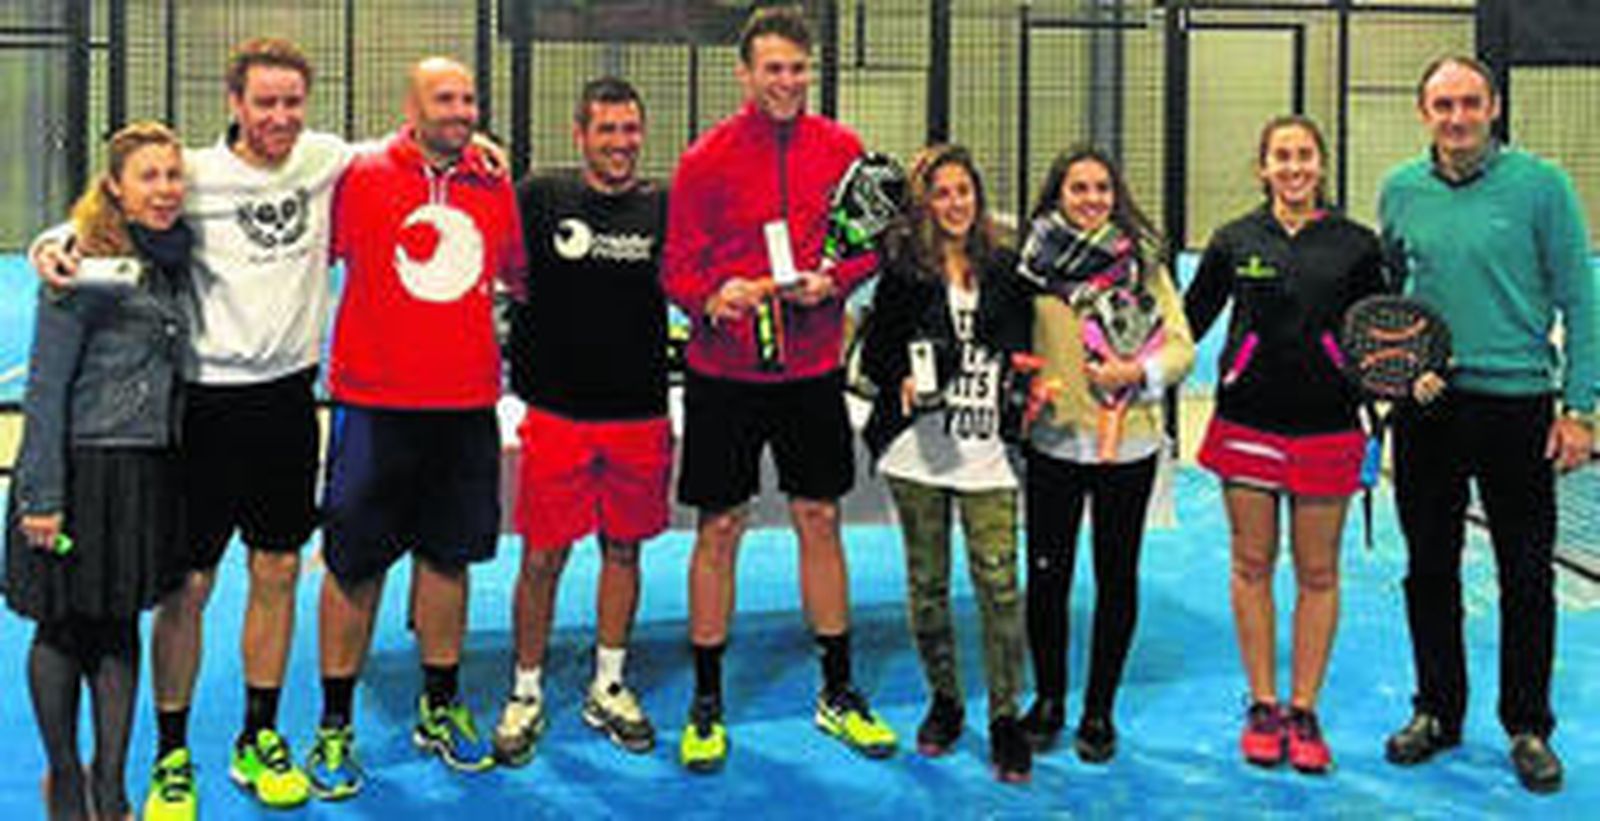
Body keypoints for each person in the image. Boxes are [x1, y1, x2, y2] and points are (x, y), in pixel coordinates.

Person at [30, 38, 346, 818]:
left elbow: (407, 144)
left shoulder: (325, 159)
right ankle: (172, 754)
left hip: (287, 403)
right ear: (234, 104)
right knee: (189, 586)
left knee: (276, 573)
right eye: (264, 101)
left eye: (291, 101)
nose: (280, 115)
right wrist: (55, 241)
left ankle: (258, 735)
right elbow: (120, 208)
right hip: (203, 407)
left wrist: (468, 138)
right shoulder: (193, 175)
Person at [662, 4, 897, 772]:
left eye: (798, 69)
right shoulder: (704, 159)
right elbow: (677, 271)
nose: (787, 82)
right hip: (724, 374)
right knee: (719, 527)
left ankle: (837, 689)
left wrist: (835, 280)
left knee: (819, 515)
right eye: (773, 69)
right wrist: (714, 297)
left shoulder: (844, 149)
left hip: (812, 371)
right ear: (746, 73)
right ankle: (705, 700)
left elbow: (869, 249)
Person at [304, 56, 525, 798]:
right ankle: (335, 723)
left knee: (448, 558)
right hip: (374, 405)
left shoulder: (494, 183)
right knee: (354, 565)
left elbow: (517, 276)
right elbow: (303, 252)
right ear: (412, 104)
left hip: (465, 406)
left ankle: (439, 702)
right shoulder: (360, 175)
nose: (461, 110)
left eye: (469, 97)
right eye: (445, 98)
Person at [1378, 55, 1595, 794]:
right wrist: (1401, 378)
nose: (1458, 117)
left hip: (1518, 407)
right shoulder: (1400, 191)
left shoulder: (1542, 187)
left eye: (1470, 103)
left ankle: (1527, 723)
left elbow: (1581, 300)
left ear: (1493, 107)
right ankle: (1437, 708)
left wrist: (1580, 408)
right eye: (1443, 105)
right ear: (1424, 113)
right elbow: (1392, 299)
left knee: (1526, 572)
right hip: (1430, 409)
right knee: (1428, 567)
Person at [1185, 115, 1385, 773]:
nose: (1294, 167)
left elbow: (1382, 333)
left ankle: (1304, 708)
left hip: (1329, 423)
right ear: (1262, 167)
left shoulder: (1358, 246)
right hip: (1247, 420)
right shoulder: (1234, 239)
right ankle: (1264, 704)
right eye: (1281, 156)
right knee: (1251, 563)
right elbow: (1187, 323)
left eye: (1305, 155)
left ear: (1321, 165)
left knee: (1319, 571)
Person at [6, 121, 190, 821]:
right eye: (149, 176)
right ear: (115, 185)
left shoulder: (173, 252)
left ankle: (110, 787)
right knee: (60, 628)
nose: (166, 189)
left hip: (140, 473)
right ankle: (65, 781)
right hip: (74, 473)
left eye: (173, 175)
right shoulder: (77, 261)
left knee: (117, 628)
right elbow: (46, 387)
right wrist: (42, 496)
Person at [493, 76, 669, 764]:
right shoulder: (541, 195)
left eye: (630, 130)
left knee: (623, 549)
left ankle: (610, 681)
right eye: (607, 130)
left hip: (638, 411)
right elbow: (494, 242)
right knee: (542, 557)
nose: (621, 143)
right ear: (580, 134)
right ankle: (527, 689)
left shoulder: (663, 204)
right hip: (557, 411)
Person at [858, 145, 1032, 782]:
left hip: (988, 454)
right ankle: (945, 702)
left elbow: (1024, 346)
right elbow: (875, 359)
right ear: (924, 204)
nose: (956, 203)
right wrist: (901, 378)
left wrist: (1030, 384)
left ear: (977, 199)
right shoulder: (903, 273)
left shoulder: (1008, 270)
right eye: (942, 193)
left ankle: (1006, 718)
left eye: (965, 191)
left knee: (999, 585)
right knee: (927, 586)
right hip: (918, 453)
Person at [1015, 146, 1194, 762]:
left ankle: (1098, 711)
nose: (1091, 199)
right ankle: (1048, 701)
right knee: (1047, 577)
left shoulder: (1142, 265)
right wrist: (1023, 385)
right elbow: (1014, 342)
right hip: (1054, 442)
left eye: (1101, 188)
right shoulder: (1032, 267)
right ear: (1056, 195)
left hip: (1131, 443)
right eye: (1078, 189)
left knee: (1116, 578)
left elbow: (1181, 347)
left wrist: (1135, 373)